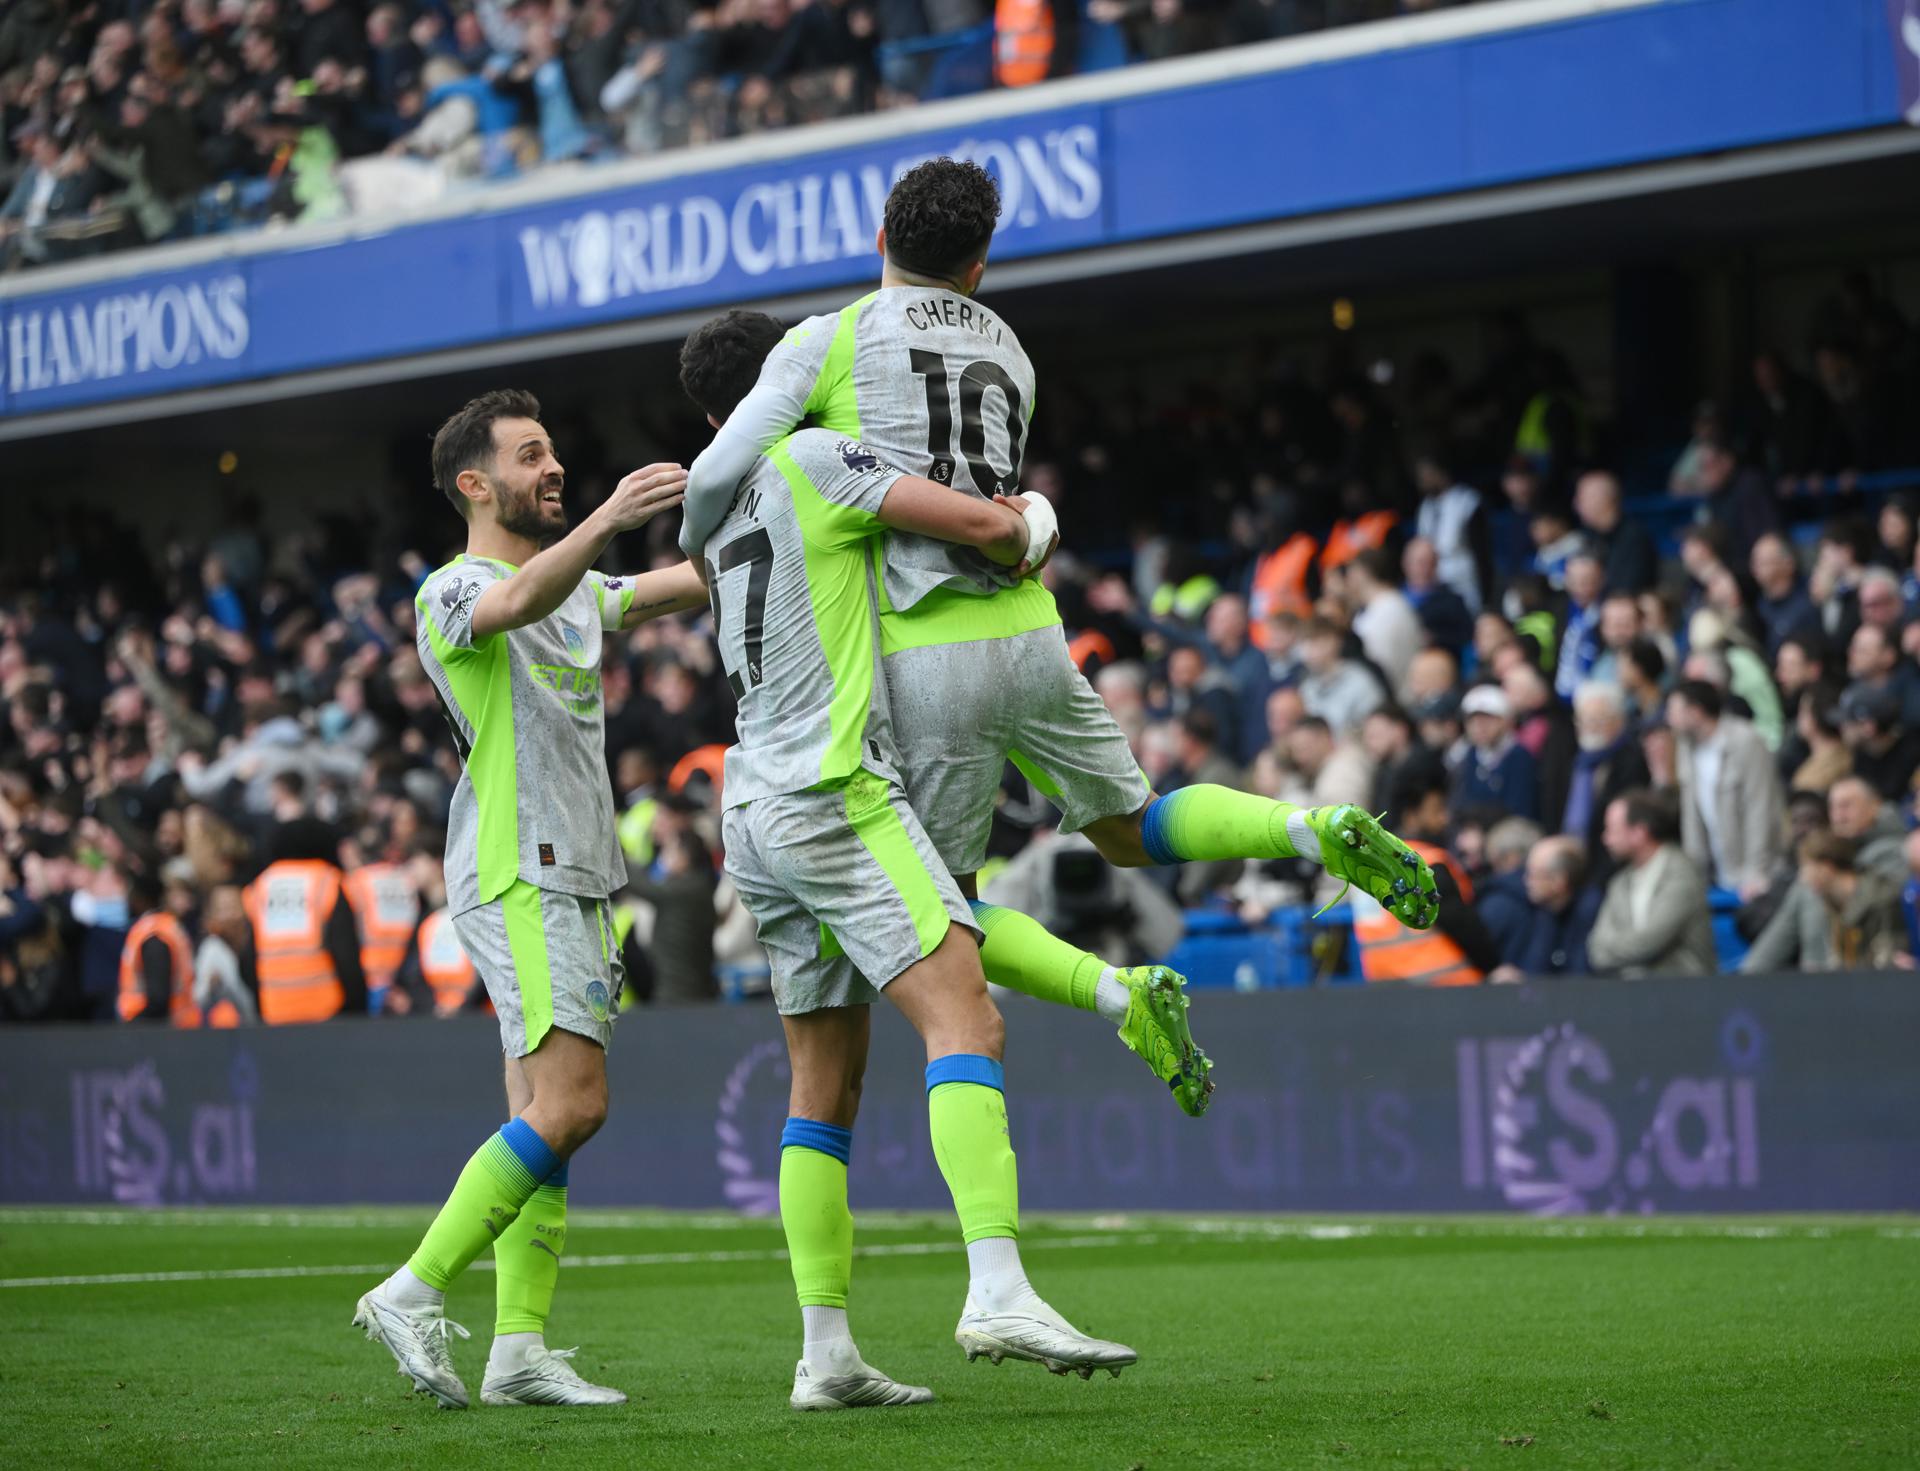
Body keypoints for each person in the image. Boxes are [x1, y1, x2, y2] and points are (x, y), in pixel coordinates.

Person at [676, 165, 1437, 946]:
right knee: (1133, 827)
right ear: (977, 268)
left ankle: (1103, 997)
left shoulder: (830, 337)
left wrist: (694, 543)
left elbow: (716, 472)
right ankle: (1307, 826)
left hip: (923, 648)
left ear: (880, 241)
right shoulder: (1012, 352)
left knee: (946, 918)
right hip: (1032, 630)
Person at [678, 321, 1140, 1407]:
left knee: (823, 1085)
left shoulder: (716, 505)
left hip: (754, 805)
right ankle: (997, 1286)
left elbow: (686, 578)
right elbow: (983, 526)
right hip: (835, 791)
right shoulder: (817, 455)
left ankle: (825, 1354)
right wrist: (1036, 515)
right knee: (965, 1015)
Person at [352, 390, 707, 1411]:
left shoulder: (576, 589)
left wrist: (784, 529)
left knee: (543, 1114)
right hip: (521, 866)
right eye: (530, 454)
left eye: (553, 452)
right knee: (574, 1104)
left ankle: (517, 1349)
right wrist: (608, 517)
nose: (553, 468)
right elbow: (514, 603)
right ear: (476, 483)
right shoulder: (451, 590)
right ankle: (412, 1289)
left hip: (577, 870)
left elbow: (673, 585)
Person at [1351, 760, 1499, 986]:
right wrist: (1495, 967)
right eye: (1436, 810)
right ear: (1411, 816)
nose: (1444, 819)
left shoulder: (1366, 866)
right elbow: (1464, 928)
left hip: (1386, 990)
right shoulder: (1427, 865)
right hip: (1446, 988)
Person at [244, 819, 369, 1024]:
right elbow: (346, 953)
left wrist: (260, 1008)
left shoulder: (260, 886)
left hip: (275, 1011)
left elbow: (250, 957)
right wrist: (358, 1007)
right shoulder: (327, 881)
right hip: (327, 1010)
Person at [1667, 679, 1784, 899]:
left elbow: (1760, 808)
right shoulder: (1686, 747)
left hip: (1757, 878)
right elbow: (1691, 818)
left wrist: (1756, 871)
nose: (1669, 719)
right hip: (1719, 876)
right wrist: (1695, 879)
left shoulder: (1746, 741)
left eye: (1674, 711)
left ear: (1696, 712)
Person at [1587, 790, 1719, 977]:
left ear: (1639, 833)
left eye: (1612, 830)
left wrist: (1612, 950)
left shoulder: (1681, 875)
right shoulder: (1619, 882)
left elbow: (1649, 943)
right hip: (1630, 988)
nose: (1606, 839)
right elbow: (1595, 949)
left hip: (1685, 988)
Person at [1740, 832, 1905, 973]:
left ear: (1826, 868)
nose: (1803, 877)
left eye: (1806, 867)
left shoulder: (1881, 900)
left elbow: (1886, 960)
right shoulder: (1832, 904)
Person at [1562, 680, 1649, 877]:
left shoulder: (1631, 760)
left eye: (1599, 720)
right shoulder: (1578, 762)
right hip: (1574, 863)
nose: (1590, 727)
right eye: (1584, 720)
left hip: (1611, 865)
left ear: (1619, 721)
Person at [1494, 835, 1601, 980]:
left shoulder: (1590, 911)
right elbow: (1535, 966)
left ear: (1558, 881)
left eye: (1533, 874)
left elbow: (1580, 975)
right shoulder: (1546, 910)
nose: (1526, 880)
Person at [116, 872, 199, 1026]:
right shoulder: (168, 926)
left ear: (140, 898)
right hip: (177, 1026)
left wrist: (132, 1027)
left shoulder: (154, 935)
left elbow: (158, 999)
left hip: (161, 1030)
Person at [1452, 684, 1538, 822]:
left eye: (1487, 721)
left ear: (1507, 721)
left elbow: (1518, 808)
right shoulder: (1470, 755)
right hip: (1472, 829)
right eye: (1473, 721)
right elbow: (1460, 802)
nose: (1479, 728)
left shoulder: (1519, 757)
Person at [1474, 817, 1542, 967]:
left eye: (1495, 858)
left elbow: (1476, 948)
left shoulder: (1498, 902)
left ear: (1511, 857)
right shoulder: (1546, 895)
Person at [1573, 470, 1655, 593]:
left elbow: (1626, 590)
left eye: (1582, 498)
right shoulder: (1591, 536)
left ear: (1603, 499)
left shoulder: (1634, 538)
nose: (1576, 504)